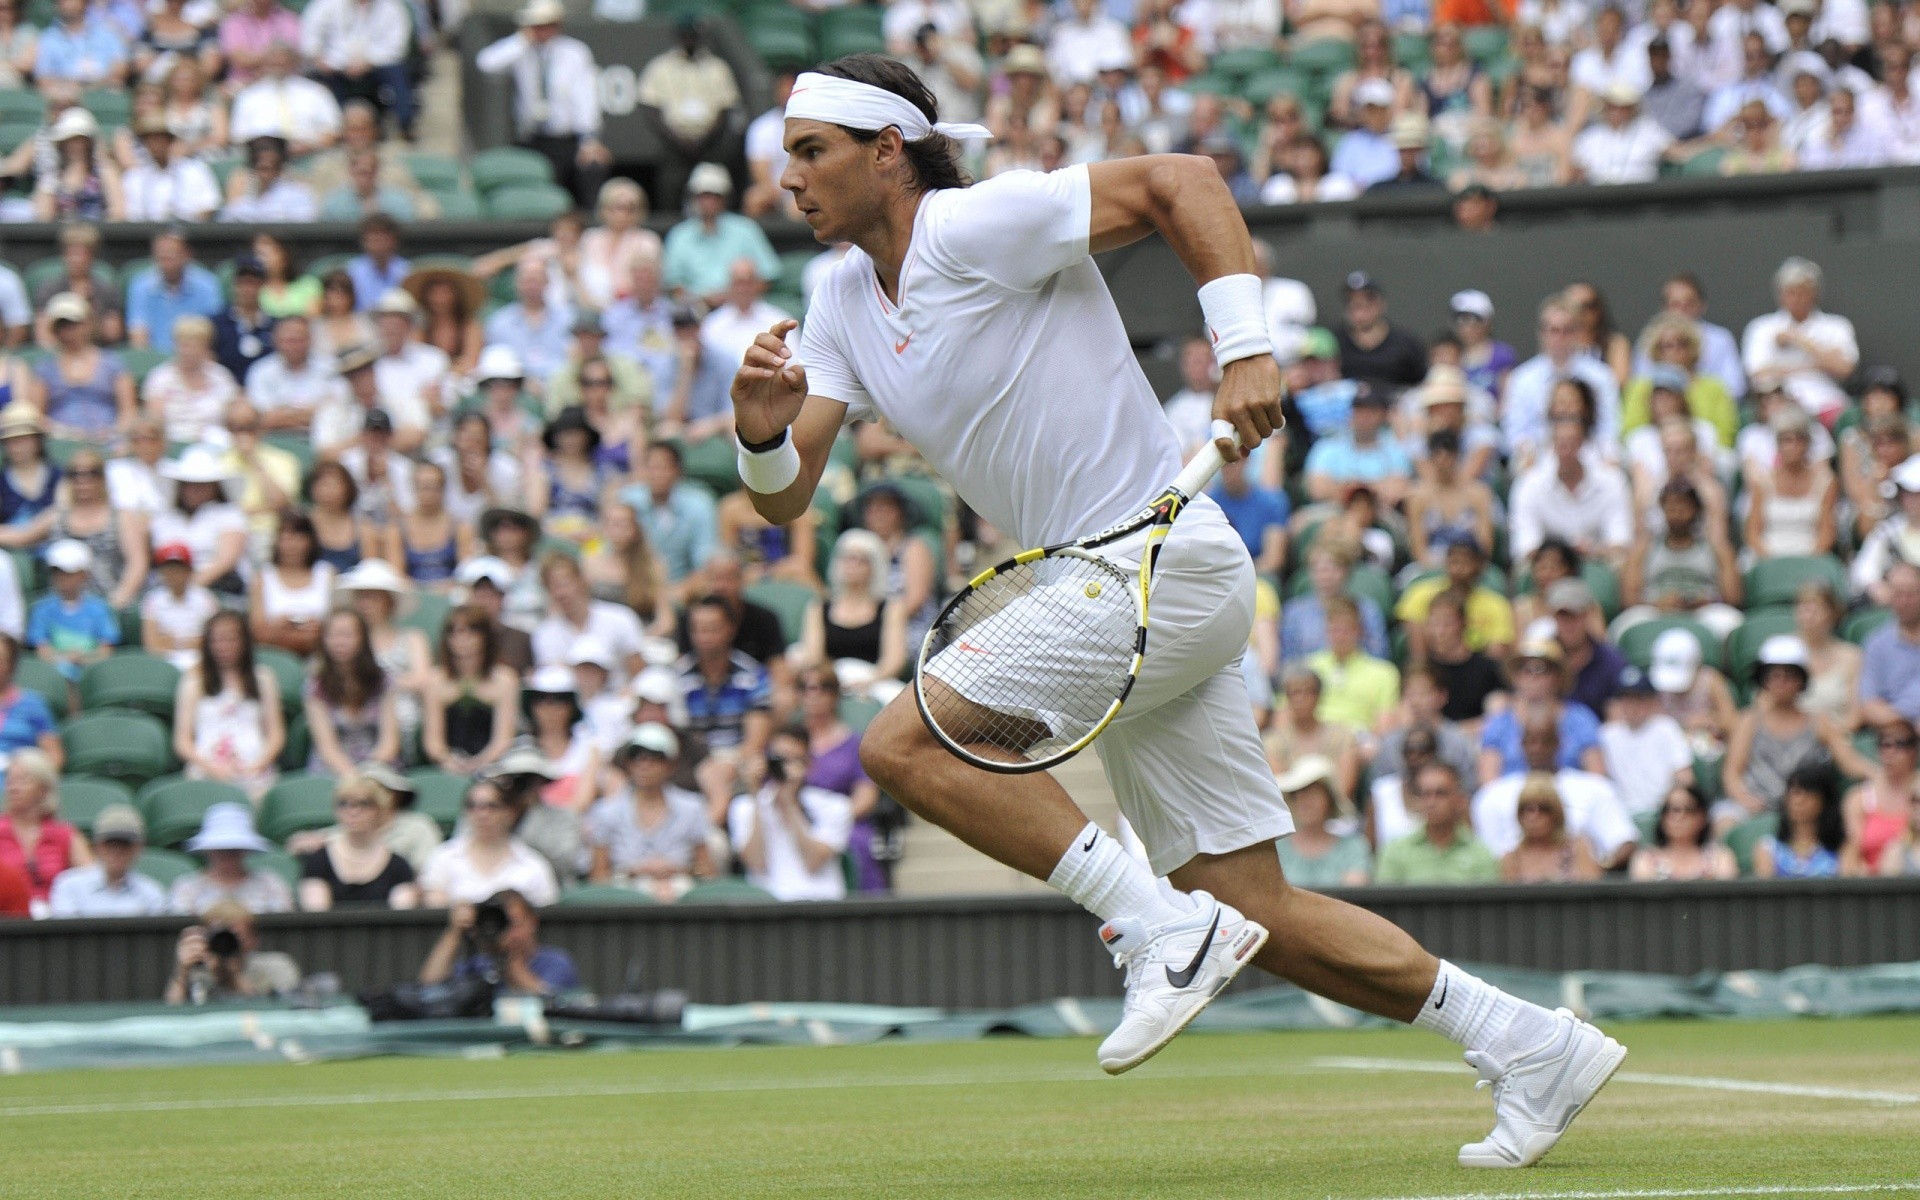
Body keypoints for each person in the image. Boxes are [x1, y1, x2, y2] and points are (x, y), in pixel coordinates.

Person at [747, 57, 1625, 1143]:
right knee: (1259, 911)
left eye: (809, 150)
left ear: (887, 152)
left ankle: (1152, 929)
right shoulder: (836, 299)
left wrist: (1247, 350)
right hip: (1111, 587)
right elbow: (785, 499)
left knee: (905, 746)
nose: (786, 175)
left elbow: (1186, 180)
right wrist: (757, 428)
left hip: (1155, 563)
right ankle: (1531, 1045)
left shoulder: (974, 226)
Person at [476, 0, 609, 208]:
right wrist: (522, 40)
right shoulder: (521, 51)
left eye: (545, 25)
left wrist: (589, 139)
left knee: (588, 174)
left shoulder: (575, 53)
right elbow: (486, 63)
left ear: (557, 25)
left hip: (566, 138)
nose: (540, 31)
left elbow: (586, 97)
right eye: (535, 25)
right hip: (533, 137)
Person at [1472, 710, 1640, 869]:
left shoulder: (1595, 788)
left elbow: (1624, 841)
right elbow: (1486, 855)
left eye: (1545, 741)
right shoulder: (1492, 795)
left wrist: (1593, 869)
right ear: (1520, 745)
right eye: (1530, 741)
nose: (1536, 748)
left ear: (1559, 743)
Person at [1723, 636, 1860, 829]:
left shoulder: (1819, 721)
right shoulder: (1749, 720)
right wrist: (1745, 799)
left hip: (1806, 810)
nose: (1781, 682)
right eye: (1774, 675)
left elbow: (1849, 761)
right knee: (1725, 822)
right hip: (1756, 807)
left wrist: (1878, 774)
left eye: (1788, 676)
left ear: (1801, 680)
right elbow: (1732, 773)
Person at [585, 724, 714, 899]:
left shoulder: (692, 807)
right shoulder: (606, 811)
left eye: (655, 757)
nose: (644, 765)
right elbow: (599, 876)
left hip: (681, 897)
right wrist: (632, 872)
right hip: (623, 900)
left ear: (671, 765)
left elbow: (706, 871)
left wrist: (678, 870)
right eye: (636, 757)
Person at [728, 725, 852, 902]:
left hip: (820, 905)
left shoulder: (835, 806)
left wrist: (789, 803)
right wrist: (755, 795)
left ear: (808, 765)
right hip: (766, 907)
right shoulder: (744, 807)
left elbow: (813, 862)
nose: (783, 767)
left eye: (793, 760)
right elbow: (756, 863)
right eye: (778, 759)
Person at [174, 610, 282, 802]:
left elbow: (276, 735)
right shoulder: (193, 682)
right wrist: (211, 768)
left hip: (254, 770)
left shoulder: (263, 679)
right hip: (206, 769)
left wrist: (257, 766)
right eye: (217, 641)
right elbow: (182, 742)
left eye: (230, 639)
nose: (223, 647)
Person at [1618, 480, 1744, 642]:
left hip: (1705, 612)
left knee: (1732, 624)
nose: (1677, 514)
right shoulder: (1643, 549)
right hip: (1655, 610)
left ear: (1696, 510)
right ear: (1662, 510)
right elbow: (1629, 599)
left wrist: (1707, 601)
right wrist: (1657, 604)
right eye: (1671, 509)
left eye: (1683, 508)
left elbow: (1733, 597)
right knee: (1626, 625)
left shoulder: (1718, 550)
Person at [636, 17, 741, 210]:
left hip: (710, 143)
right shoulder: (661, 67)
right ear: (677, 38)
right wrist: (678, 141)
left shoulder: (717, 67)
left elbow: (725, 109)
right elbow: (651, 109)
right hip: (674, 142)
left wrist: (704, 140)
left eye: (693, 36)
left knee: (717, 187)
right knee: (670, 191)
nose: (689, 41)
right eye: (685, 36)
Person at [1501, 297, 1621, 465]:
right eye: (1554, 330)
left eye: (1567, 330)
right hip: (1538, 457)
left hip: (1590, 455)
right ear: (1542, 333)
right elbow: (1515, 430)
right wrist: (1527, 453)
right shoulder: (1522, 379)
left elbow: (1609, 426)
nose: (1560, 337)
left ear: (1578, 333)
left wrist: (1608, 456)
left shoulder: (1601, 376)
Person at [1741, 256, 1858, 425]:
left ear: (1815, 293)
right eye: (1791, 292)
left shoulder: (1837, 326)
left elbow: (1845, 369)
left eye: (1804, 292)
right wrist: (1815, 366)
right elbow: (1757, 374)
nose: (1797, 298)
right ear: (1780, 295)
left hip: (1826, 404)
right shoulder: (1761, 328)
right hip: (1777, 407)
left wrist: (1800, 340)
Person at [798, 528, 908, 695]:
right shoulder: (818, 607)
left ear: (875, 566)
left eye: (861, 560)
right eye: (847, 558)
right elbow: (814, 657)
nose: (852, 565)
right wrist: (834, 681)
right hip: (831, 685)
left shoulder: (892, 608)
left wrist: (869, 681)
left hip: (876, 683)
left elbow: (894, 661)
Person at [418, 779, 560, 907]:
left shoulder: (534, 865)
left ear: (511, 812)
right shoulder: (443, 857)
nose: (482, 814)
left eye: (491, 806)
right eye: (473, 806)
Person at [1479, 639, 1605, 780]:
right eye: (1525, 669)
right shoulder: (1499, 722)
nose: (1533, 677)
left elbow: (1597, 777)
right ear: (1516, 677)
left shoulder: (1580, 718)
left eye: (1541, 669)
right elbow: (1488, 782)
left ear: (1558, 677)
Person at [418, 887, 578, 994]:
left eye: (513, 923)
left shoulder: (556, 962)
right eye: (502, 925)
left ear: (532, 923)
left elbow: (548, 1000)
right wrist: (455, 932)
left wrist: (509, 958)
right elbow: (430, 985)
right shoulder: (479, 964)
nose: (507, 932)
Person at [296, 773, 419, 911]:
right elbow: (315, 917)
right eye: (344, 803)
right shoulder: (318, 861)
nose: (353, 811)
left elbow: (402, 918)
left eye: (363, 803)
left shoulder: (398, 866)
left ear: (380, 810)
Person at [421, 604, 519, 777]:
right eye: (455, 632)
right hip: (449, 766)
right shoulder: (435, 681)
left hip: (494, 766)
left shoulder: (505, 679)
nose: (462, 639)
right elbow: (433, 742)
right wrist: (449, 761)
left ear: (485, 636)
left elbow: (503, 738)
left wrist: (480, 763)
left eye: (471, 631)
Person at [661, 163, 780, 305]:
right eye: (704, 195)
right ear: (694, 198)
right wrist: (699, 300)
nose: (709, 201)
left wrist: (736, 295)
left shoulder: (746, 229)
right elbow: (672, 284)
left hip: (741, 307)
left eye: (715, 195)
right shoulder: (679, 235)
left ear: (725, 198)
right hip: (694, 311)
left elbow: (767, 276)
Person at [299, 0, 415, 138]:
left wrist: (368, 62)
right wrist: (321, 60)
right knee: (316, 81)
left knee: (397, 73)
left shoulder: (392, 7)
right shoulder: (324, 5)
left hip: (376, 65)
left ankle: (405, 124)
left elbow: (397, 46)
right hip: (334, 66)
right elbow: (309, 38)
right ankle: (337, 129)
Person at [305, 609, 400, 775]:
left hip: (377, 768)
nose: (339, 642)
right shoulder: (315, 686)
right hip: (332, 769)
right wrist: (352, 776)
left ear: (363, 638)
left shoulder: (383, 680)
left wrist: (370, 771)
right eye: (332, 635)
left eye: (347, 635)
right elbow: (327, 748)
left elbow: (389, 742)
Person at [1375, 762, 1501, 884]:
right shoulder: (1396, 851)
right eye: (1425, 794)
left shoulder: (1480, 853)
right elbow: (1383, 902)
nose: (1431, 802)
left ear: (1459, 799)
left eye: (1440, 794)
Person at [1397, 531, 1513, 663]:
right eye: (1454, 562)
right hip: (1432, 668)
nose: (1458, 569)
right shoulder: (1420, 593)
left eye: (1466, 562)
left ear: (1480, 566)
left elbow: (1497, 653)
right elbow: (1416, 645)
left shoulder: (1496, 604)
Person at [153, 446, 249, 603]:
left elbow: (226, 561)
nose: (195, 490)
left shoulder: (229, 514)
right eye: (188, 484)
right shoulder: (165, 517)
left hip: (219, 588)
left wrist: (188, 590)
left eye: (202, 485)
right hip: (170, 589)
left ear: (215, 486)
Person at [1743, 407, 1837, 561]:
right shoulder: (1762, 481)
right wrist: (1772, 561)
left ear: (1808, 443)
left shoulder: (1826, 482)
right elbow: (1753, 532)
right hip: (1767, 557)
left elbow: (1826, 533)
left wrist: (1806, 562)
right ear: (1777, 444)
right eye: (1786, 440)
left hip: (1811, 556)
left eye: (1798, 440)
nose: (1792, 447)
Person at [163, 899, 301, 1003]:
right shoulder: (198, 972)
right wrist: (182, 974)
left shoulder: (277, 966)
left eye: (234, 936)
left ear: (254, 938)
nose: (226, 942)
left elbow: (280, 1013)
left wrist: (233, 976)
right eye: (220, 935)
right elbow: (172, 1015)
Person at [0, 748, 87, 913]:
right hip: (8, 923)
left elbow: (90, 881)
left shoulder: (65, 834)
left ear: (43, 788)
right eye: (10, 781)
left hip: (55, 924)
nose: (13, 787)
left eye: (22, 780)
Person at [1601, 666, 1694, 817]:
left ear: (1652, 701)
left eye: (1638, 699)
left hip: (1661, 813)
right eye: (1626, 699)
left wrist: (1666, 809)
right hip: (1621, 815)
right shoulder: (1607, 735)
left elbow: (1684, 777)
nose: (1631, 706)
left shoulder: (1666, 728)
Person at [168, 803, 294, 915]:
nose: (228, 855)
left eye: (235, 849)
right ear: (208, 850)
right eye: (220, 849)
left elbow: (282, 929)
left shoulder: (270, 885)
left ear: (245, 850)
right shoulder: (187, 889)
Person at [1281, 537, 1389, 665]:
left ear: (1347, 571)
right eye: (1319, 569)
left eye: (1334, 568)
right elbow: (1288, 661)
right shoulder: (1294, 613)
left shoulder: (1367, 610)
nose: (1326, 576)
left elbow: (1378, 657)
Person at [47, 804, 168, 917]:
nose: (117, 851)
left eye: (124, 844)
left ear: (138, 849)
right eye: (110, 844)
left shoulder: (151, 893)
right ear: (97, 846)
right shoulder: (69, 886)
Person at [1306, 595, 1401, 734]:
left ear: (1359, 631)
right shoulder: (1308, 667)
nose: (1339, 636)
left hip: (1361, 741)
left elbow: (1385, 726)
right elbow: (1285, 715)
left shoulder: (1384, 672)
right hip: (1312, 740)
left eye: (1345, 630)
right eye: (1334, 629)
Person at [27, 538, 117, 684]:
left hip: (92, 676)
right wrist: (65, 659)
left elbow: (106, 651)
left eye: (69, 573)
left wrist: (83, 659)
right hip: (55, 678)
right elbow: (42, 651)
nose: (62, 578)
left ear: (84, 574)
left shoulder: (99, 608)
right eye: (57, 572)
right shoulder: (41, 609)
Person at [1273, 756, 1371, 888]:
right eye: (1297, 794)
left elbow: (1354, 894)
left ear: (1329, 800)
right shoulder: (1275, 850)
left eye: (1312, 793)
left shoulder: (1353, 847)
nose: (1303, 801)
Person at [144, 315, 239, 446]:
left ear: (206, 348)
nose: (188, 352)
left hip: (214, 444)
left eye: (195, 346)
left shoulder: (221, 377)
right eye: (184, 345)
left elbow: (234, 417)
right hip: (173, 444)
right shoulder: (160, 378)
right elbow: (155, 423)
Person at [1841, 718, 1920, 876]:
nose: (1890, 751)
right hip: (1875, 888)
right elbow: (1852, 852)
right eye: (1884, 744)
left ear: (1914, 750)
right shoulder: (1859, 798)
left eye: (1900, 744)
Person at [1500, 774, 1603, 883]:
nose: (1533, 816)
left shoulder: (1578, 849)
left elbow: (1594, 893)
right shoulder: (1512, 859)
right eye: (1526, 809)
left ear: (1556, 813)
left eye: (1543, 808)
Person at [1333, 272, 1427, 388]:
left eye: (1368, 300)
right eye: (1353, 302)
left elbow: (1422, 383)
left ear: (1381, 304)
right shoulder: (1333, 342)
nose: (1360, 310)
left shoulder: (1406, 343)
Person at [1754, 765, 1850, 878]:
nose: (1798, 801)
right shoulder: (1768, 849)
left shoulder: (1843, 848)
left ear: (1824, 800)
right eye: (1794, 793)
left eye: (1808, 793)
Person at [1628, 783, 1737, 881]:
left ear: (1702, 817)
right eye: (1670, 809)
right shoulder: (1646, 860)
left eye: (1687, 809)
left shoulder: (1719, 859)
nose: (1678, 817)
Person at [143, 543, 218, 669]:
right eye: (169, 569)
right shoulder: (153, 600)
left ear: (189, 571)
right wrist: (192, 641)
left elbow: (212, 641)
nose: (173, 574)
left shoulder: (205, 599)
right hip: (164, 663)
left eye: (179, 569)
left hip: (201, 661)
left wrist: (172, 641)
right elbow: (151, 644)